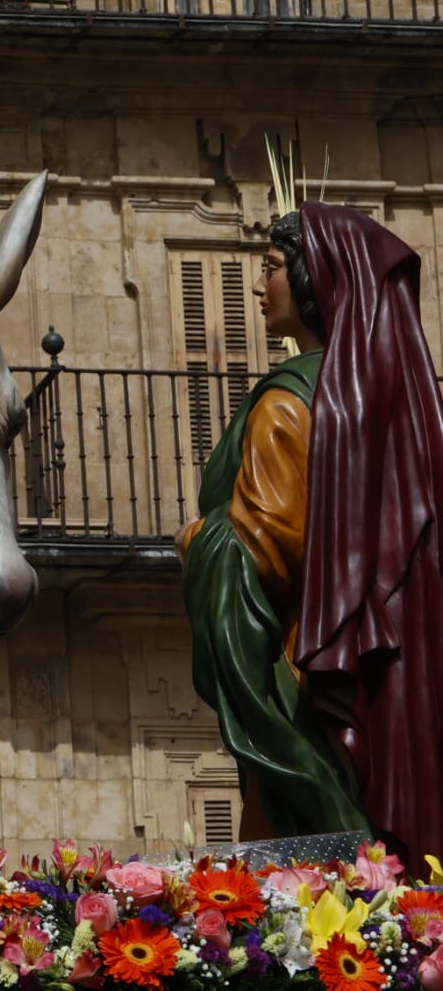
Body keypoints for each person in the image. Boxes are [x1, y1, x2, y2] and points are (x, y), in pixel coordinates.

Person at [180, 203, 443, 862]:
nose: (254, 286)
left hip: (315, 676)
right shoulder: (401, 409)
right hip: (398, 682)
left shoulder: (287, 404)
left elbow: (263, 546)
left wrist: (197, 541)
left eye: (269, 268)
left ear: (315, 278)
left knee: (309, 878)